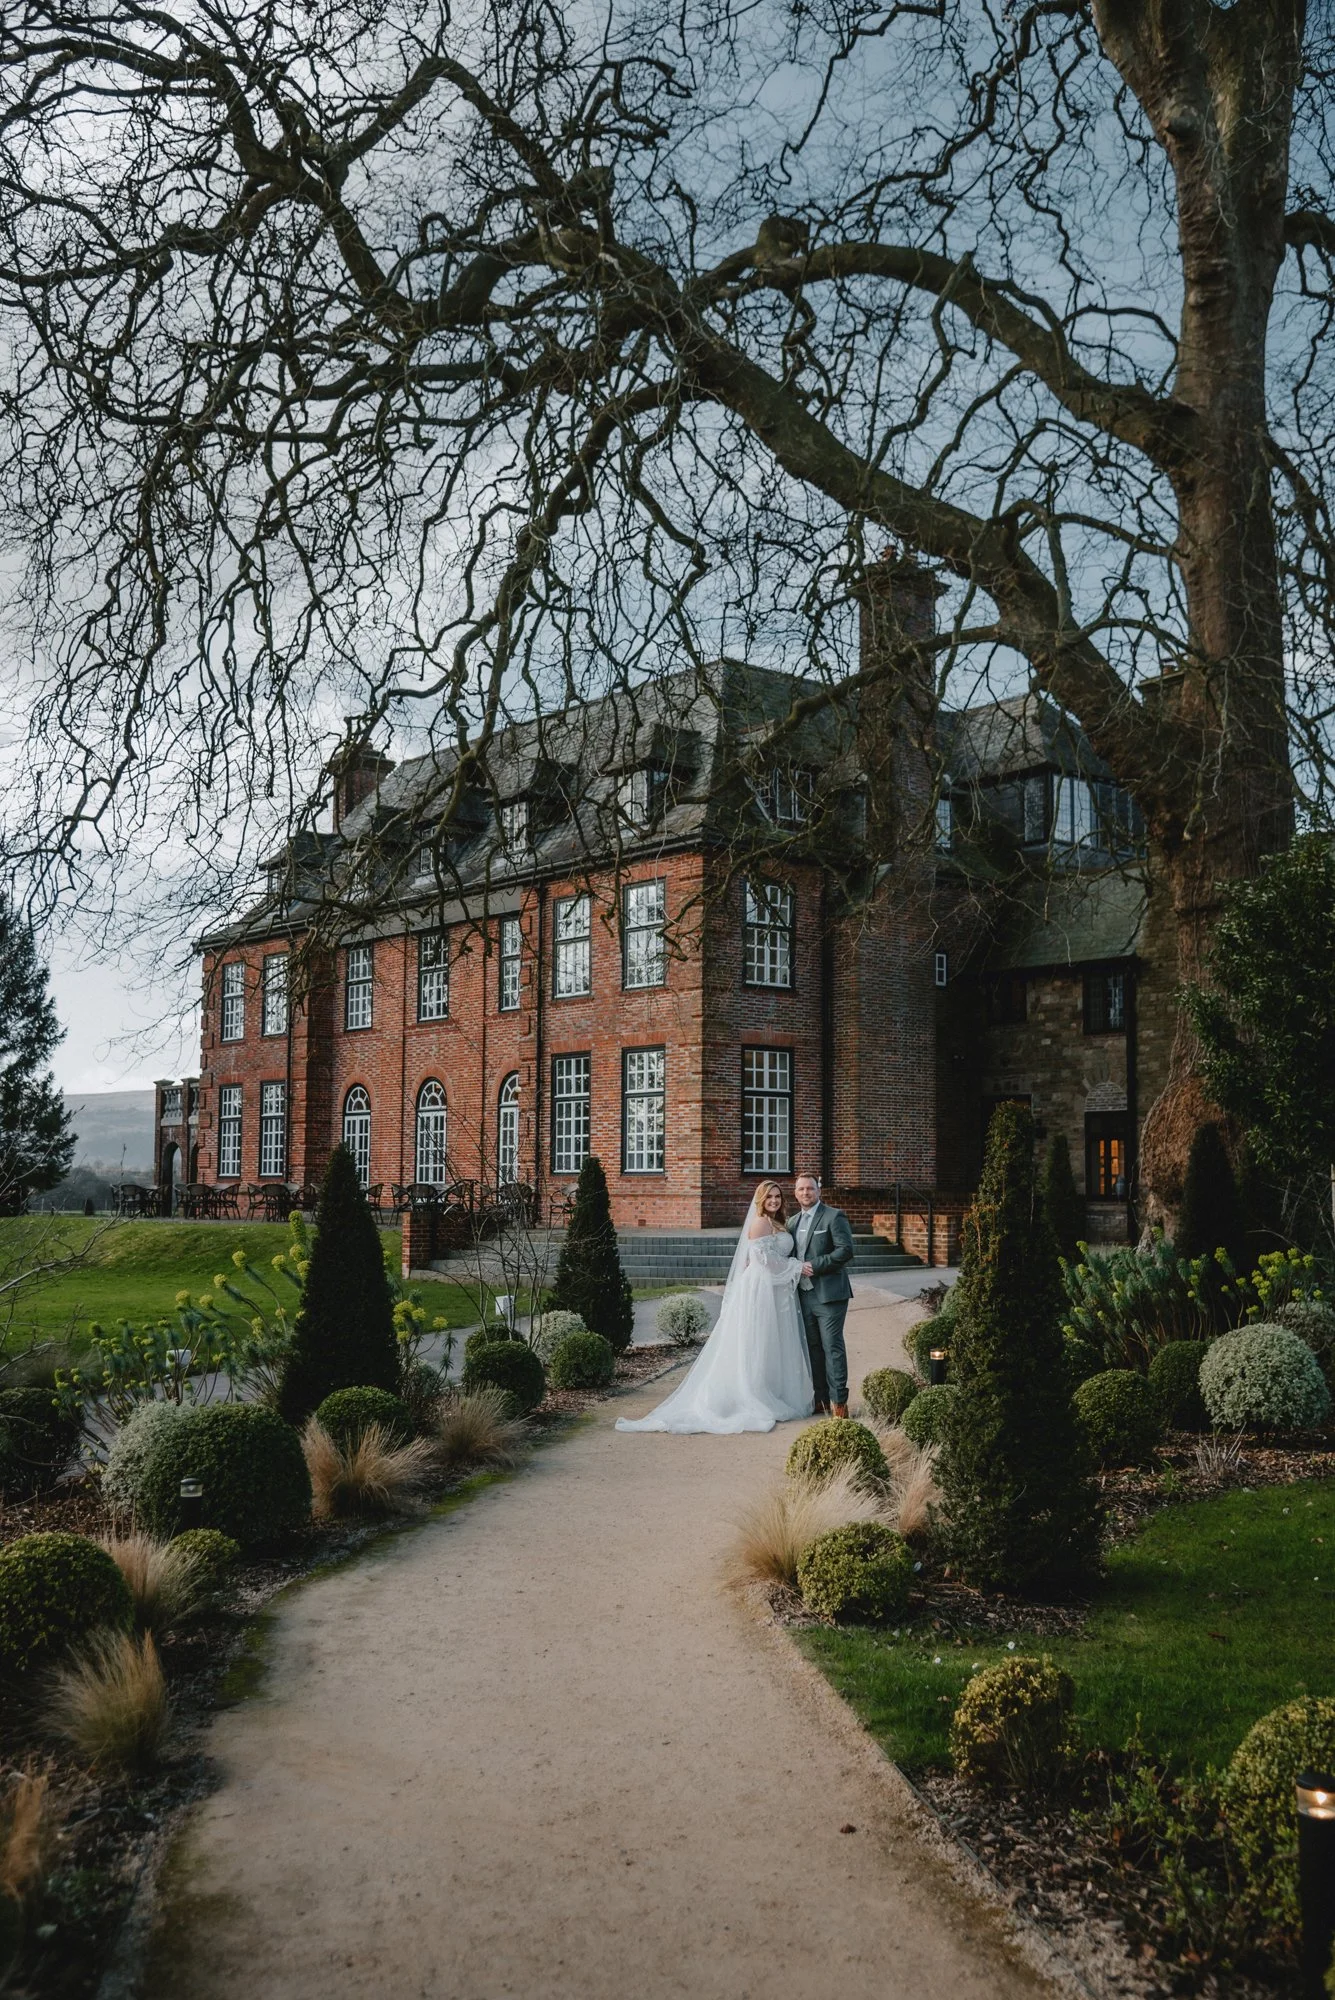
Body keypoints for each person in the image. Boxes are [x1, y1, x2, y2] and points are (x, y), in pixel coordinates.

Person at [615, 1181, 813, 1434]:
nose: (774, 1200)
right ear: (761, 1200)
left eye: (778, 1196)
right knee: (759, 1340)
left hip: (774, 1289)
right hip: (762, 1287)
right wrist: (797, 1266)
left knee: (771, 1341)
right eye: (769, 1197)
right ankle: (753, 1394)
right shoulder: (761, 1222)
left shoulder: (778, 1222)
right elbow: (764, 1260)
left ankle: (772, 1389)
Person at [788, 1173, 855, 1418]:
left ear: (819, 1190)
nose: (805, 1193)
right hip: (803, 1295)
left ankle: (839, 1403)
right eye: (801, 1189)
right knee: (813, 1348)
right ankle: (821, 1399)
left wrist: (814, 1265)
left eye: (810, 1189)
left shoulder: (833, 1216)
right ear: (795, 1193)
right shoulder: (792, 1222)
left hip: (830, 1295)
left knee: (832, 1347)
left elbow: (845, 1251)